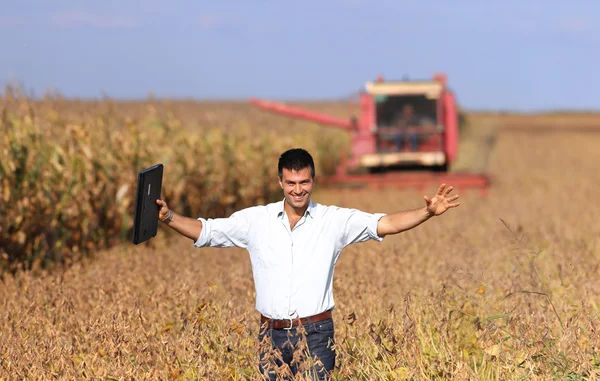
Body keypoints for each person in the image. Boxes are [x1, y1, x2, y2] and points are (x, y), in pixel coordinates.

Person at [155, 148, 460, 380]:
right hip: (269, 335)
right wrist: (169, 218)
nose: (298, 189)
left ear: (313, 180)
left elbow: (385, 223)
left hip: (316, 334)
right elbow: (205, 231)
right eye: (290, 182)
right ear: (280, 182)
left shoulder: (334, 220)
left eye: (304, 182)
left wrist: (428, 213)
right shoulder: (255, 221)